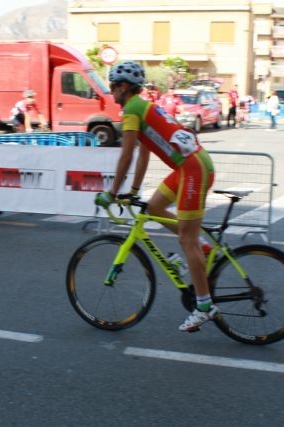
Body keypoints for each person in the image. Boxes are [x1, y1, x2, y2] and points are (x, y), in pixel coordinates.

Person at [94, 61, 218, 333]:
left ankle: (205, 306)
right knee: (154, 207)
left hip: (193, 170)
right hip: (190, 167)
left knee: (186, 240)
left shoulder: (131, 110)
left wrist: (113, 193)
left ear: (123, 87)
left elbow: (126, 155)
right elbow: (144, 153)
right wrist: (134, 192)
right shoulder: (142, 107)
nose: (111, 91)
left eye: (113, 86)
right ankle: (202, 247)